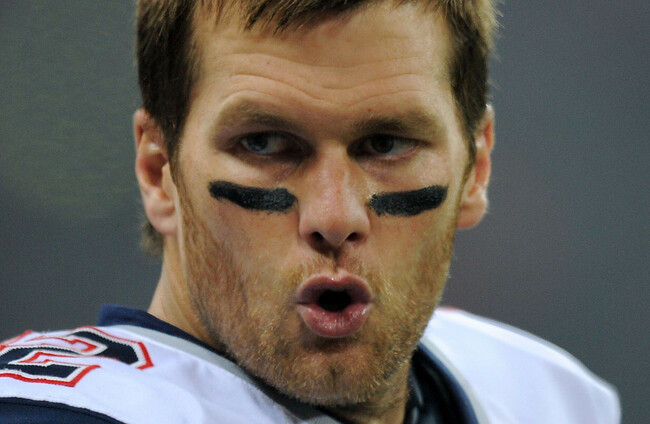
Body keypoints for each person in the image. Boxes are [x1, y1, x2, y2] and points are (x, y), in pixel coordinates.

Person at [0, 0, 620, 423]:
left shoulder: (549, 396)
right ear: (158, 172)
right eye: (264, 143)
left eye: (387, 144)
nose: (334, 216)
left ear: (476, 170)